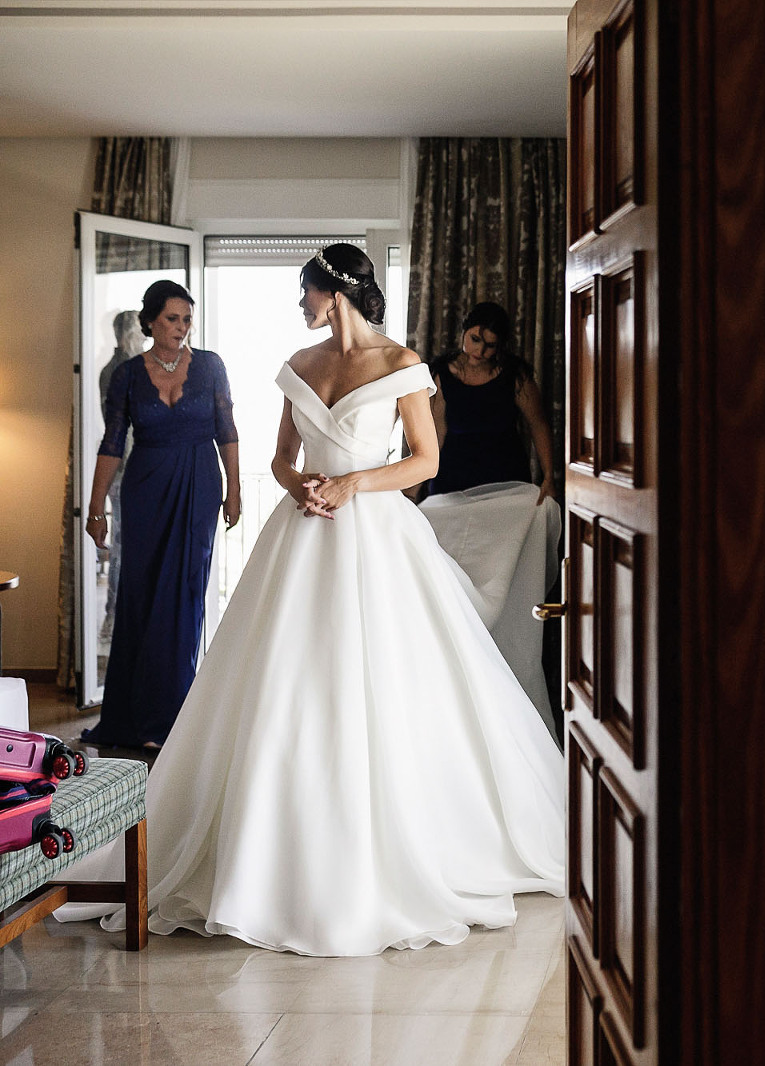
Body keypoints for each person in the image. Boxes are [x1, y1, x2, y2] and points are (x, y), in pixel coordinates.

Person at [57, 243, 565, 957]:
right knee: (281, 678)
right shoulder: (300, 365)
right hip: (304, 531)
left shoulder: (401, 364)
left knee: (386, 680)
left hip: (377, 534)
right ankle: (261, 844)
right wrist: (302, 487)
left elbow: (427, 459)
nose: (300, 304)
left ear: (338, 292)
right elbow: (279, 459)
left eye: (307, 291)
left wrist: (354, 484)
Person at [82, 282, 241, 750]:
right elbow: (112, 444)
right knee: (141, 594)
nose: (181, 328)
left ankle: (172, 718)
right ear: (150, 321)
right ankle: (135, 717)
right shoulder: (127, 375)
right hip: (145, 487)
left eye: (187, 319)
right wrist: (96, 507)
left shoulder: (210, 366)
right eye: (172, 319)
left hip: (198, 485)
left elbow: (227, 431)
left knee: (185, 595)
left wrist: (233, 491)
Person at [425, 301, 557, 502]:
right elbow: (436, 433)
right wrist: (414, 487)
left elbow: (538, 425)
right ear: (464, 331)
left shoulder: (515, 376)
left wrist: (549, 477)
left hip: (506, 480)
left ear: (500, 345)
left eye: (490, 345)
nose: (479, 350)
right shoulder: (441, 374)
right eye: (475, 339)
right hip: (452, 479)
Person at [96, 309, 145, 644]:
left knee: (124, 542)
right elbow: (120, 432)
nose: (146, 340)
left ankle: (119, 617)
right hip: (125, 472)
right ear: (130, 335)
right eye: (142, 334)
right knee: (123, 543)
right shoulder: (123, 371)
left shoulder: (110, 370)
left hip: (123, 470)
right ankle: (114, 617)